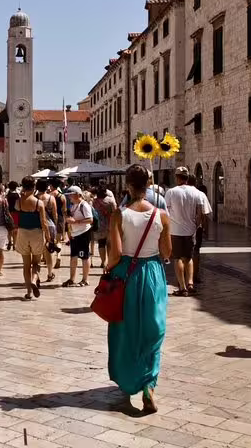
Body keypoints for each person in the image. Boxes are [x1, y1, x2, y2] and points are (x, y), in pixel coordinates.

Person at [106, 164, 171, 413]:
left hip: (126, 275)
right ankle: (149, 386)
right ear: (149, 184)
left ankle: (130, 379)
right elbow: (167, 253)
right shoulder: (162, 216)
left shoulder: (119, 215)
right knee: (153, 331)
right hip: (153, 274)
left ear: (128, 186)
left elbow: (116, 253)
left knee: (126, 330)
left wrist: (108, 269)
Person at [165, 167, 203, 296]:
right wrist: (195, 226)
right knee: (189, 258)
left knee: (177, 259)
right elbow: (199, 213)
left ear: (177, 177)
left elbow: (167, 211)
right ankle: (190, 283)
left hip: (175, 230)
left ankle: (182, 287)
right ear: (187, 178)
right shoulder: (196, 192)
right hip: (190, 230)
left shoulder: (171, 192)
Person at [15, 177, 50, 300]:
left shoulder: (18, 202)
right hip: (36, 233)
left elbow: (16, 211)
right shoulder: (39, 203)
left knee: (26, 265)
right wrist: (48, 236)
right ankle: (34, 279)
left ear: (23, 187)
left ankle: (29, 292)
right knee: (36, 262)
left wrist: (21, 195)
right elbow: (44, 222)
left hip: (23, 232)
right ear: (34, 187)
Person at [62, 186, 93, 287]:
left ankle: (85, 279)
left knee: (84, 256)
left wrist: (76, 222)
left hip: (83, 233)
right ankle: (72, 279)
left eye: (71, 195)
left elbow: (90, 219)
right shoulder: (73, 205)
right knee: (73, 256)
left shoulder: (84, 205)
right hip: (75, 234)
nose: (69, 197)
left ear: (78, 194)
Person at [188, 175, 212, 284]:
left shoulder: (176, 193)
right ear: (196, 182)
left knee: (182, 255)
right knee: (196, 252)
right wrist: (206, 230)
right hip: (197, 228)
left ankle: (184, 277)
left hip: (180, 228)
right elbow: (205, 215)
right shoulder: (201, 195)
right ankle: (194, 276)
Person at [35, 179, 57, 282]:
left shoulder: (35, 198)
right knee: (49, 251)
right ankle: (49, 273)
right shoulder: (51, 198)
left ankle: (37, 276)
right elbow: (55, 215)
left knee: (37, 252)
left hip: (37, 226)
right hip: (50, 226)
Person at [93, 185, 117, 269]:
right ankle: (109, 261)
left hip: (99, 225)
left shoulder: (95, 201)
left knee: (101, 243)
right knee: (109, 244)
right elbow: (115, 212)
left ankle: (103, 262)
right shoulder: (110, 201)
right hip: (110, 225)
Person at [50, 181, 68, 268]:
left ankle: (47, 259)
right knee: (58, 241)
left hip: (50, 219)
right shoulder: (62, 196)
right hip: (60, 219)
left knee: (49, 240)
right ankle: (58, 256)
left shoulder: (49, 195)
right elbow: (64, 210)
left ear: (51, 186)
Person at [6, 181, 20, 250]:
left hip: (9, 213)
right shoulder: (17, 195)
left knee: (9, 230)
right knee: (15, 230)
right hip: (16, 213)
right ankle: (14, 244)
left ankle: (9, 241)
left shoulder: (8, 194)